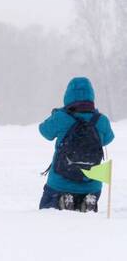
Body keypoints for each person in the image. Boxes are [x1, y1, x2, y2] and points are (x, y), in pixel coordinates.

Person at [39, 77, 114, 212]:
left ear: (67, 96)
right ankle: (88, 201)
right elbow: (108, 139)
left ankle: (65, 199)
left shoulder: (61, 117)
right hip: (92, 185)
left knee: (46, 213)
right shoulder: (101, 120)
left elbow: (44, 131)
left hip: (59, 183)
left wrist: (59, 112)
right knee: (90, 195)